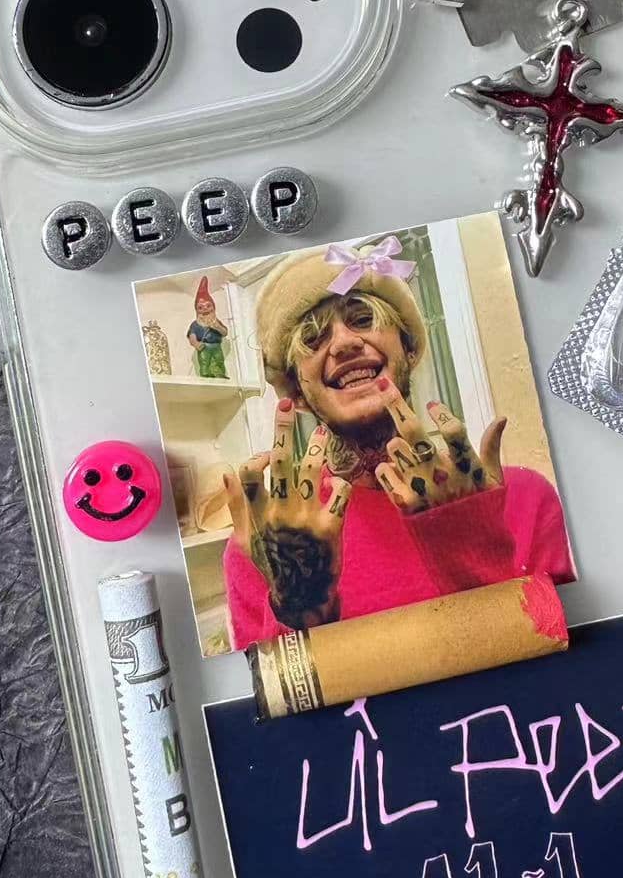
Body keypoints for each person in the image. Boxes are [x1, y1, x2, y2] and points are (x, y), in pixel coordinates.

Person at [218, 241, 574, 648]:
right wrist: (300, 607)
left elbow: (572, 663)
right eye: (313, 338)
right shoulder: (269, 545)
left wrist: (473, 551)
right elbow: (275, 686)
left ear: (410, 349)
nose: (344, 344)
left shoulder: (525, 498)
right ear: (296, 393)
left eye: (364, 319)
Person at [187, 276, 228, 379]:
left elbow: (224, 333)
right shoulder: (195, 325)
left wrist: (217, 327)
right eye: (201, 308)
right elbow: (192, 337)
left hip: (217, 346)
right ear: (197, 311)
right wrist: (196, 344)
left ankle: (220, 374)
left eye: (208, 306)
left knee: (219, 360)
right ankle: (205, 374)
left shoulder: (216, 322)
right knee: (205, 361)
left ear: (213, 308)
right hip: (204, 347)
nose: (205, 309)